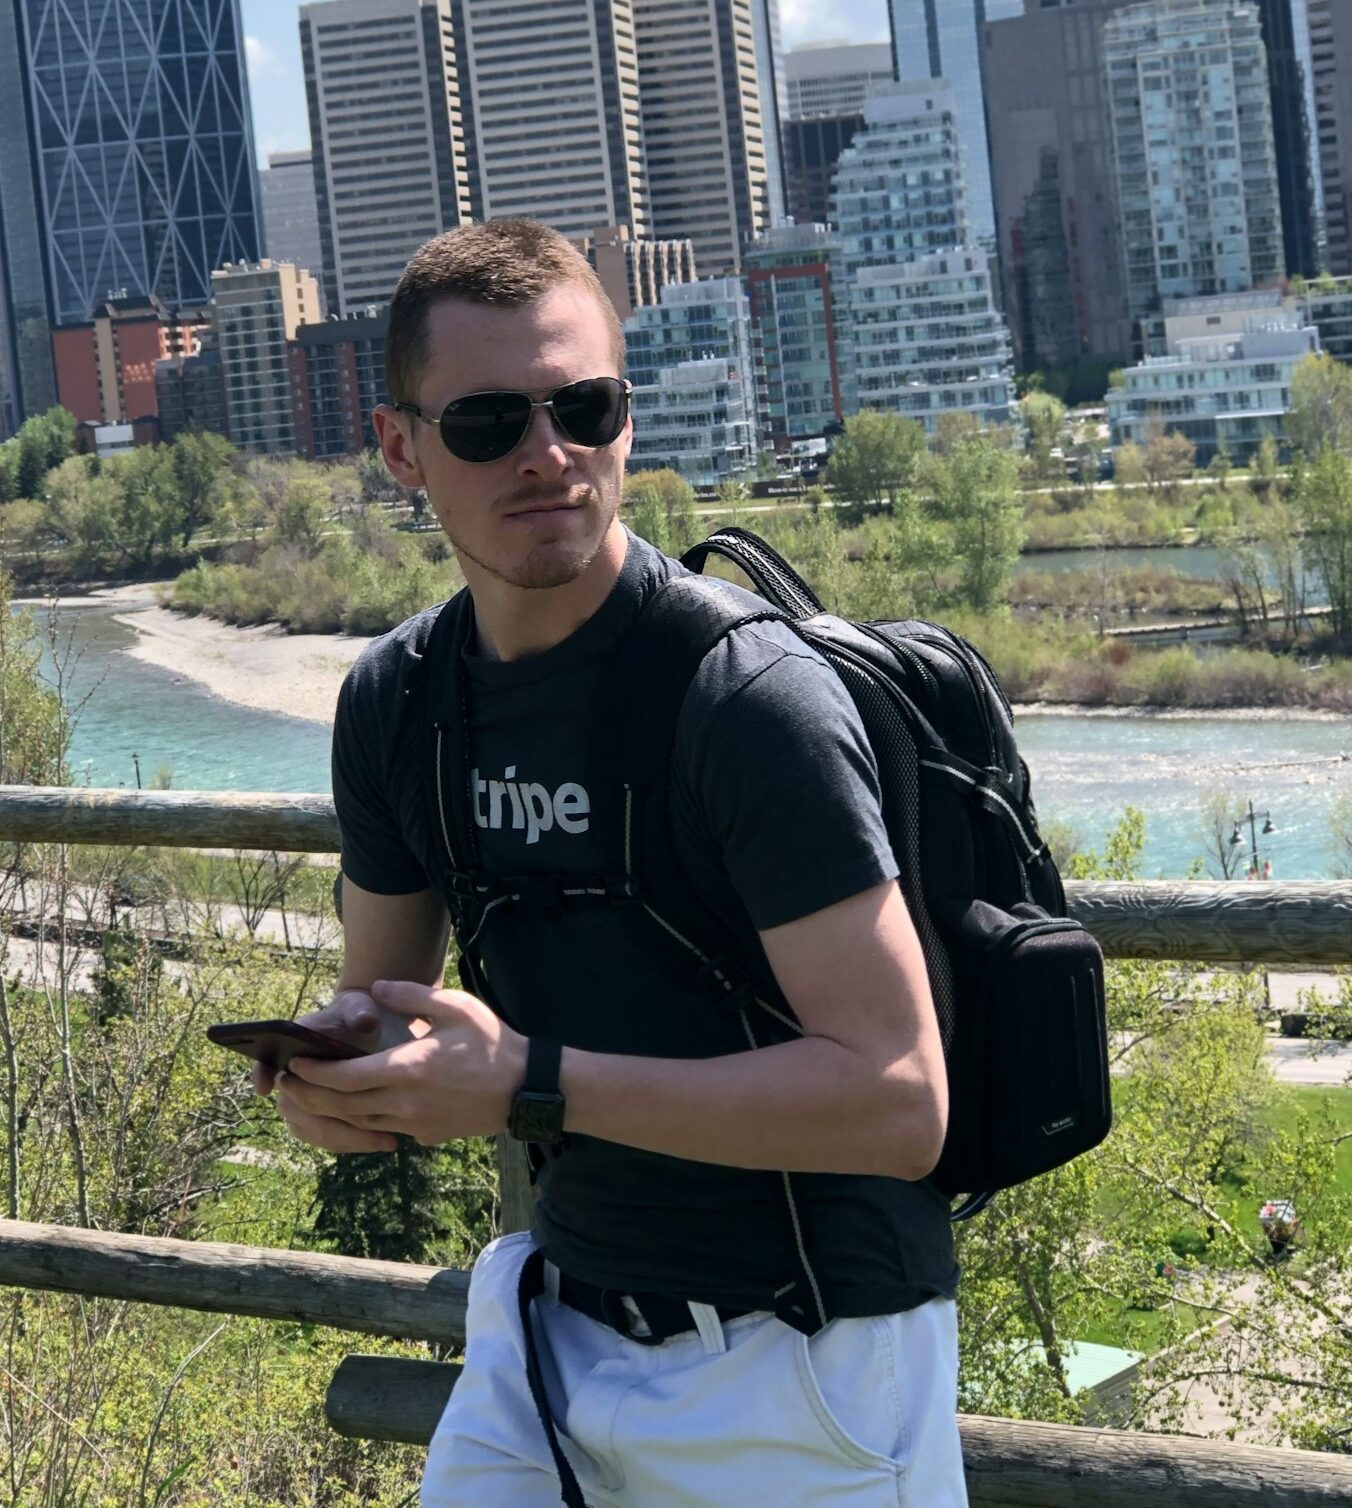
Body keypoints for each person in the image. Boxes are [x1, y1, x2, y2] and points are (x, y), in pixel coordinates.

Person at [254, 218, 964, 1507]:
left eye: (585, 408)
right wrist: (340, 1083)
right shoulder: (398, 701)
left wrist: (530, 1084)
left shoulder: (749, 701)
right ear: (401, 449)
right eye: (489, 424)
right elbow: (380, 1011)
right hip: (547, 1333)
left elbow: (901, 1103)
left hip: (805, 1356)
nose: (549, 454)